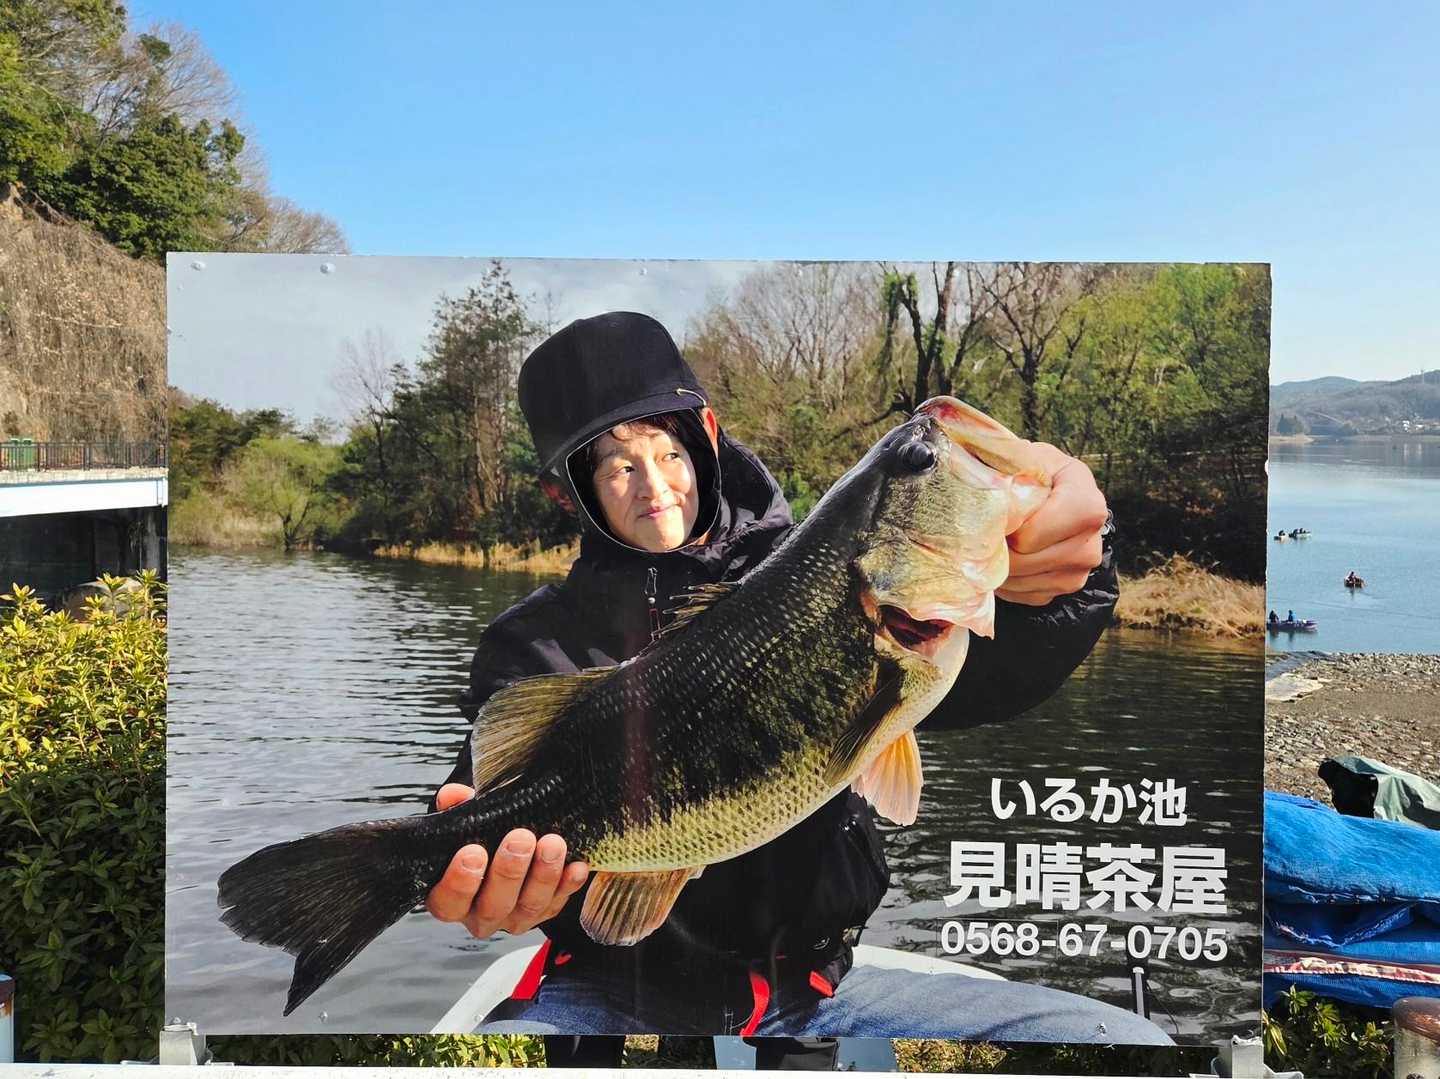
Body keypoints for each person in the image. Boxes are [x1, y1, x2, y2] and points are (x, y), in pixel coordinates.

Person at [424, 311, 1170, 1047]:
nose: (654, 484)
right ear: (567, 495)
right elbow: (490, 782)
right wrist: (471, 868)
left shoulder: (826, 579)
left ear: (708, 436)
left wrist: (1074, 570)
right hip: (608, 991)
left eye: (669, 452)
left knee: (1126, 1044)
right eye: (617, 467)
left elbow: (1010, 670)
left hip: (817, 993)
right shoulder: (531, 645)